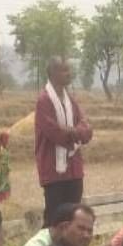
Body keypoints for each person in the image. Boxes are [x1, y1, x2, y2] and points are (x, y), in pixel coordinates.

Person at [35, 56, 94, 224]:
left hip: (74, 170)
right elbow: (55, 133)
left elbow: (86, 128)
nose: (69, 74)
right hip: (54, 171)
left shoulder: (70, 100)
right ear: (53, 73)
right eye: (64, 70)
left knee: (73, 217)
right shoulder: (44, 101)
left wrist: (75, 131)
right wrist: (78, 133)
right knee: (55, 220)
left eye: (69, 69)